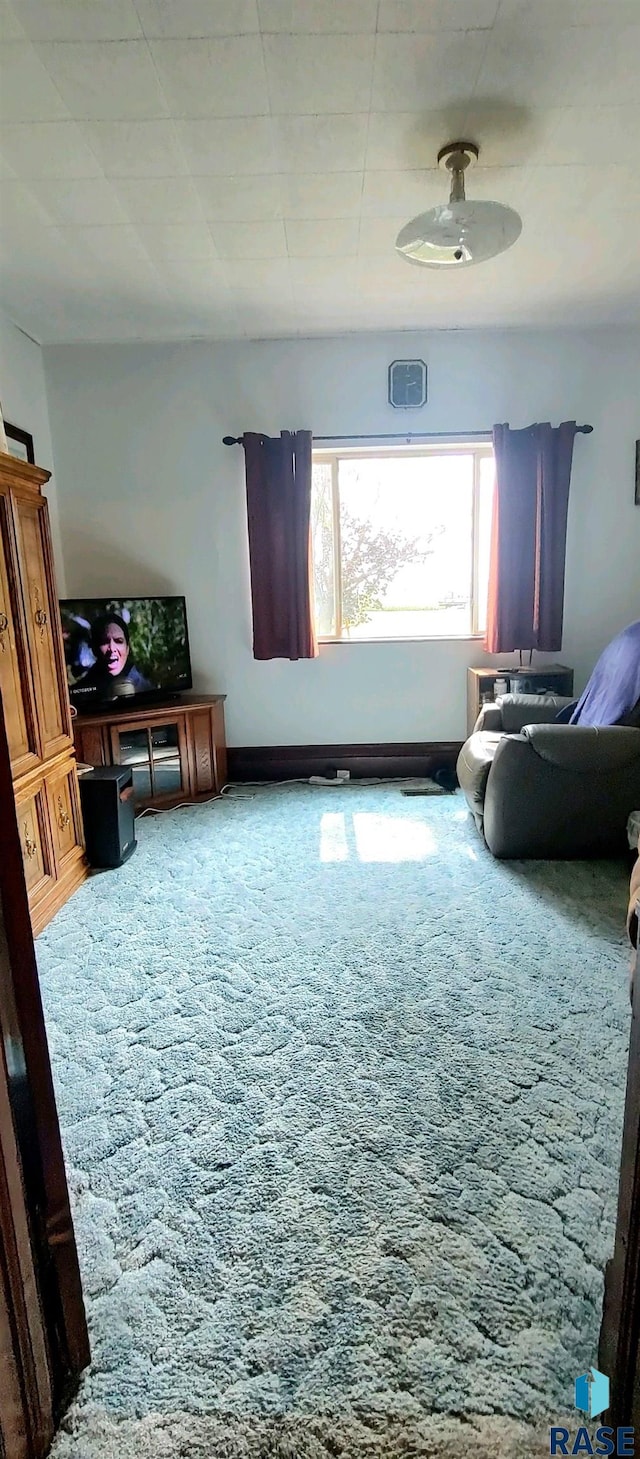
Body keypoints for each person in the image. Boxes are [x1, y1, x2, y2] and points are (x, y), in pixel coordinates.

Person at [81, 613, 153, 695]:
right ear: (94, 648)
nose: (112, 648)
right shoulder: (83, 689)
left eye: (119, 641)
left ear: (127, 648)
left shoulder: (146, 690)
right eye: (105, 642)